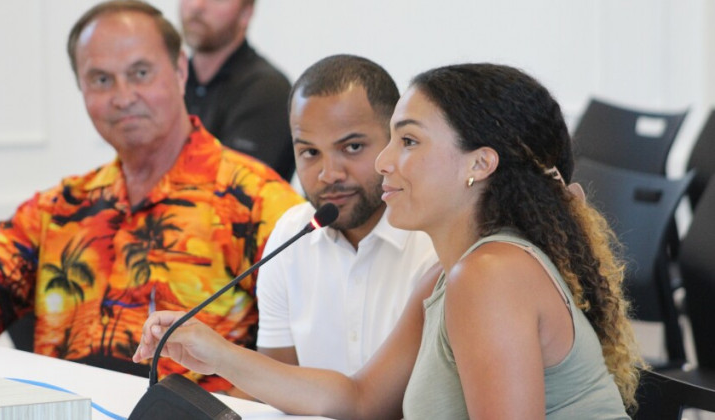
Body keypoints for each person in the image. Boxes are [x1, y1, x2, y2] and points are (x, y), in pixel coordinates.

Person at [134, 63, 645, 418]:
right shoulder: (448, 275)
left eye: (408, 141)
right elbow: (358, 399)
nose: (384, 163)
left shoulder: (489, 276)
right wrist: (216, 353)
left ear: (479, 164)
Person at [0, 0, 303, 394]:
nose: (123, 97)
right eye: (101, 80)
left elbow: (312, 361)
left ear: (180, 71)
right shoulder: (59, 208)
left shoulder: (256, 201)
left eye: (140, 73)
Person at [255, 55, 438, 375]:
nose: (329, 174)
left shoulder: (437, 241)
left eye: (352, 147)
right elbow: (277, 389)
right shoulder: (289, 237)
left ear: (397, 141)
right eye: (310, 152)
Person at [180, 0, 295, 181]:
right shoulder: (169, 82)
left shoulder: (267, 90)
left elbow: (234, 190)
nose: (197, 6)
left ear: (246, 14)